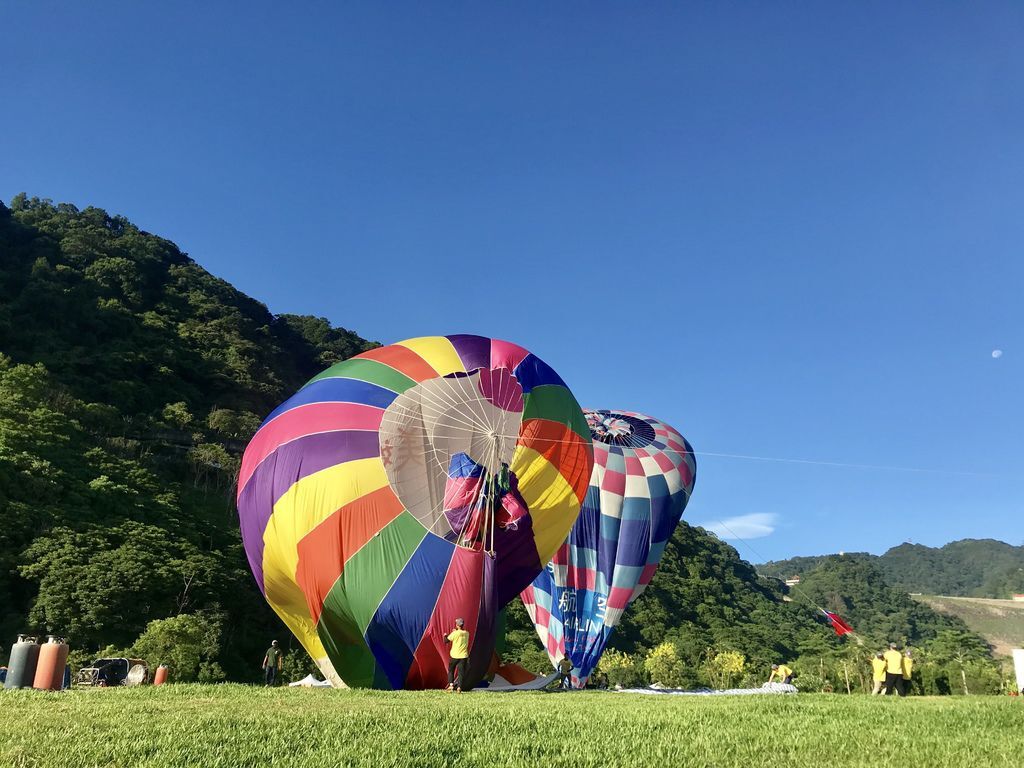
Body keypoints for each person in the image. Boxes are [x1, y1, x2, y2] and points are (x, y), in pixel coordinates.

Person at [444, 618, 470, 692]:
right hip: (464, 656)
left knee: (451, 670)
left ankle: (451, 685)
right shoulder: (467, 633)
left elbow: (446, 641)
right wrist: (455, 632)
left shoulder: (455, 633)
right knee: (461, 673)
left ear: (457, 625)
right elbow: (460, 635)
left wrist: (445, 635)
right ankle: (459, 687)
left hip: (455, 655)